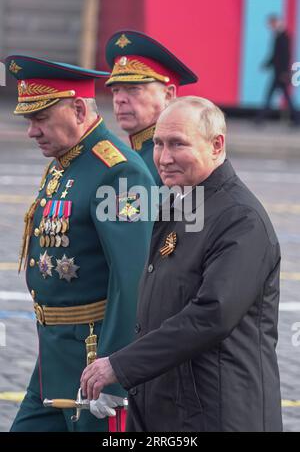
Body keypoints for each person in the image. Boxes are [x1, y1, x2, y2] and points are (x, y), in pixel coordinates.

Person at [81, 96, 283, 432]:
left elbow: (211, 315)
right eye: (158, 144)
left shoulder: (240, 219)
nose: (163, 157)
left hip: (216, 411)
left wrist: (121, 365)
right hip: (165, 404)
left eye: (178, 144)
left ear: (216, 145)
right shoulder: (182, 201)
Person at [5, 54, 155, 432]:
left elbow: (132, 277)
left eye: (40, 119)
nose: (31, 131)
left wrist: (117, 372)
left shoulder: (119, 170)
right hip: (54, 350)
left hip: (93, 356)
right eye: (29, 120)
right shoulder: (67, 159)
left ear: (77, 109)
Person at [105, 30, 198, 184]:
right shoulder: (133, 153)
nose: (119, 99)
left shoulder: (178, 160)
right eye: (115, 90)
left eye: (133, 89)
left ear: (168, 95)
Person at [257, 14, 299, 125]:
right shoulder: (278, 35)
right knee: (273, 97)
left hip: (280, 74)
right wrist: (266, 64)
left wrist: (285, 72)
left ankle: (260, 119)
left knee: (278, 97)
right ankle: (260, 119)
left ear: (275, 22)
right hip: (277, 73)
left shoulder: (284, 36)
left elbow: (286, 56)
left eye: (271, 24)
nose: (270, 26)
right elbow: (275, 55)